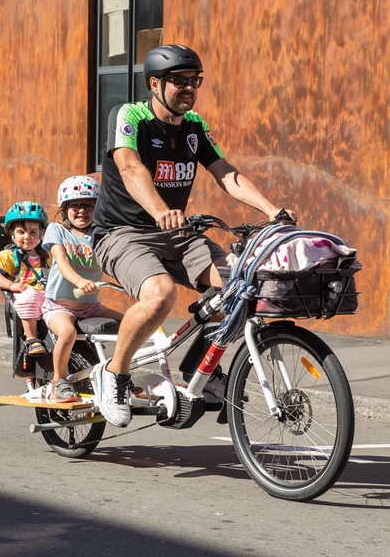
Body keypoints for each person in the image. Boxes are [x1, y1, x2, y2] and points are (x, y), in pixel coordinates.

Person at [91, 44, 296, 426]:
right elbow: (130, 167)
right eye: (179, 81)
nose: (189, 87)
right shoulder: (129, 116)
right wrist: (160, 212)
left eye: (195, 80)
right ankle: (113, 373)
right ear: (155, 84)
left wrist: (271, 211)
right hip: (123, 233)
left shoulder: (194, 126)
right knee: (160, 293)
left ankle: (200, 367)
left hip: (178, 232)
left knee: (243, 284)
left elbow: (225, 173)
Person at [41, 175, 124, 403]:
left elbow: (115, 261)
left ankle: (121, 375)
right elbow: (62, 262)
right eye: (74, 205)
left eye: (88, 205)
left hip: (90, 306)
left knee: (132, 324)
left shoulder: (99, 235)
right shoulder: (57, 230)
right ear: (64, 208)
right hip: (59, 305)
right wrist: (79, 281)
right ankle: (59, 382)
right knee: (68, 333)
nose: (81, 211)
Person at [0, 201, 51, 356]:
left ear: (41, 234)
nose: (27, 237)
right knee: (30, 297)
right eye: (21, 232)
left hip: (47, 294)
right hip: (25, 293)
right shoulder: (8, 256)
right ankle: (32, 339)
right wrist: (10, 285)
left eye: (33, 232)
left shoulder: (48, 255)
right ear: (12, 234)